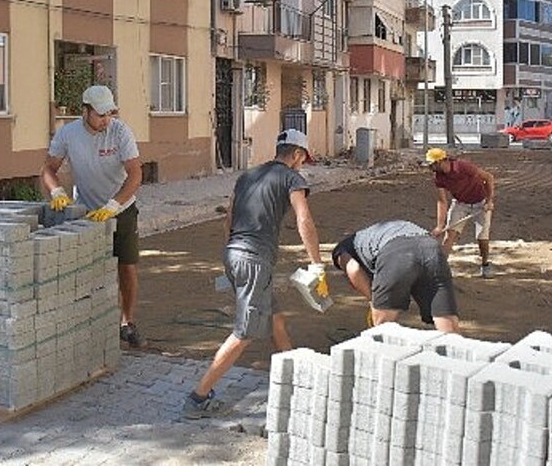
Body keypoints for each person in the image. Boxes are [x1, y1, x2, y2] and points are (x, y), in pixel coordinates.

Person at [183, 129, 326, 419]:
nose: (301, 165)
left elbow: (229, 218)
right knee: (245, 332)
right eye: (302, 159)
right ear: (296, 154)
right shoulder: (292, 178)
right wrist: (317, 264)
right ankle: (198, 398)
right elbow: (304, 219)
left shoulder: (248, 176)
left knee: (274, 318)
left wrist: (232, 254)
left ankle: (292, 376)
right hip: (254, 260)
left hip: (234, 253)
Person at [41, 85, 146, 347]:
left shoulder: (120, 131)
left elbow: (135, 173)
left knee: (127, 266)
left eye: (109, 113)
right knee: (87, 268)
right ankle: (89, 320)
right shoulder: (68, 134)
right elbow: (49, 169)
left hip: (121, 209)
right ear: (85, 111)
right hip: (87, 212)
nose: (106, 120)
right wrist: (56, 192)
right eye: (100, 115)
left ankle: (127, 322)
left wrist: (114, 205)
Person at [332, 220, 459, 332]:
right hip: (431, 248)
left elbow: (354, 270)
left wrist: (373, 300)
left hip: (397, 252)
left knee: (382, 330)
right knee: (448, 327)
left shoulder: (342, 249)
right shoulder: (373, 236)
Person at [425, 148, 497, 278]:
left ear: (441, 161)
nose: (430, 168)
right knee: (449, 236)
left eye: (432, 164)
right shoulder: (438, 177)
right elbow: (442, 201)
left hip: (481, 203)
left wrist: (489, 201)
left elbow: (489, 178)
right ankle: (440, 269)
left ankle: (485, 264)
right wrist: (439, 226)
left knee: (482, 237)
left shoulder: (463, 167)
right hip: (460, 203)